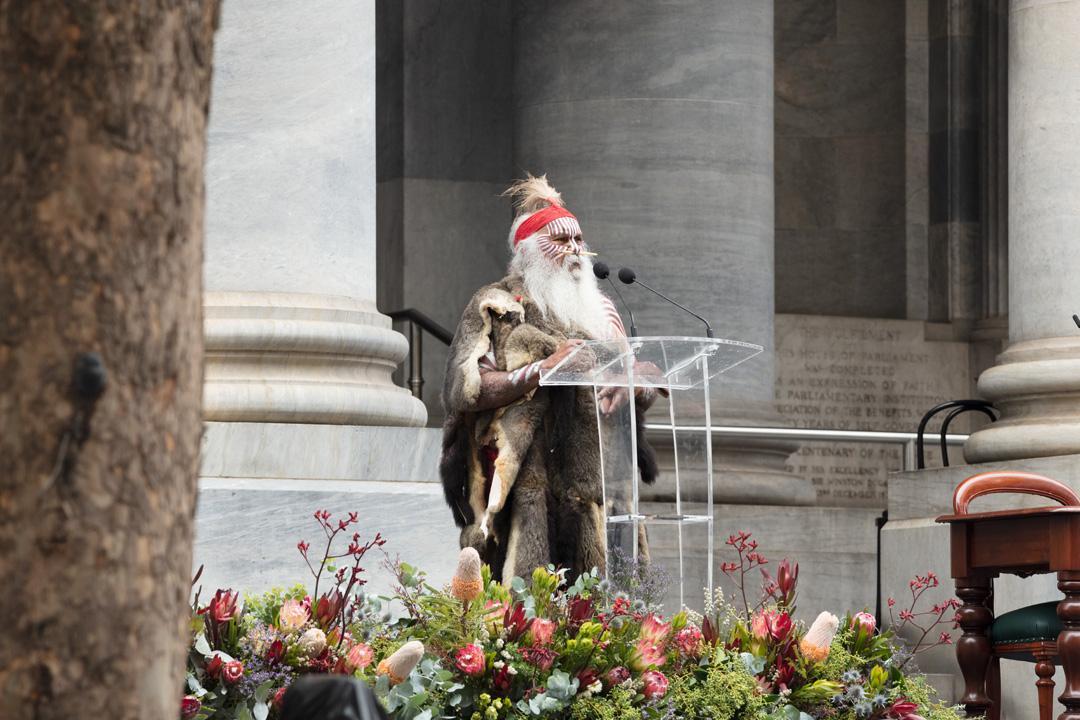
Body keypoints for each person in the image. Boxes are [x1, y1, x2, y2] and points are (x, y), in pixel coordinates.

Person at [439, 174, 659, 583]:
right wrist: (539, 370)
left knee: (605, 622)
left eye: (579, 240)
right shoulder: (498, 305)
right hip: (524, 491)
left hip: (600, 492)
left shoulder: (602, 311)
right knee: (524, 618)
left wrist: (635, 383)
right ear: (528, 253)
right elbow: (462, 389)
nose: (576, 250)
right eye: (561, 241)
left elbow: (632, 387)